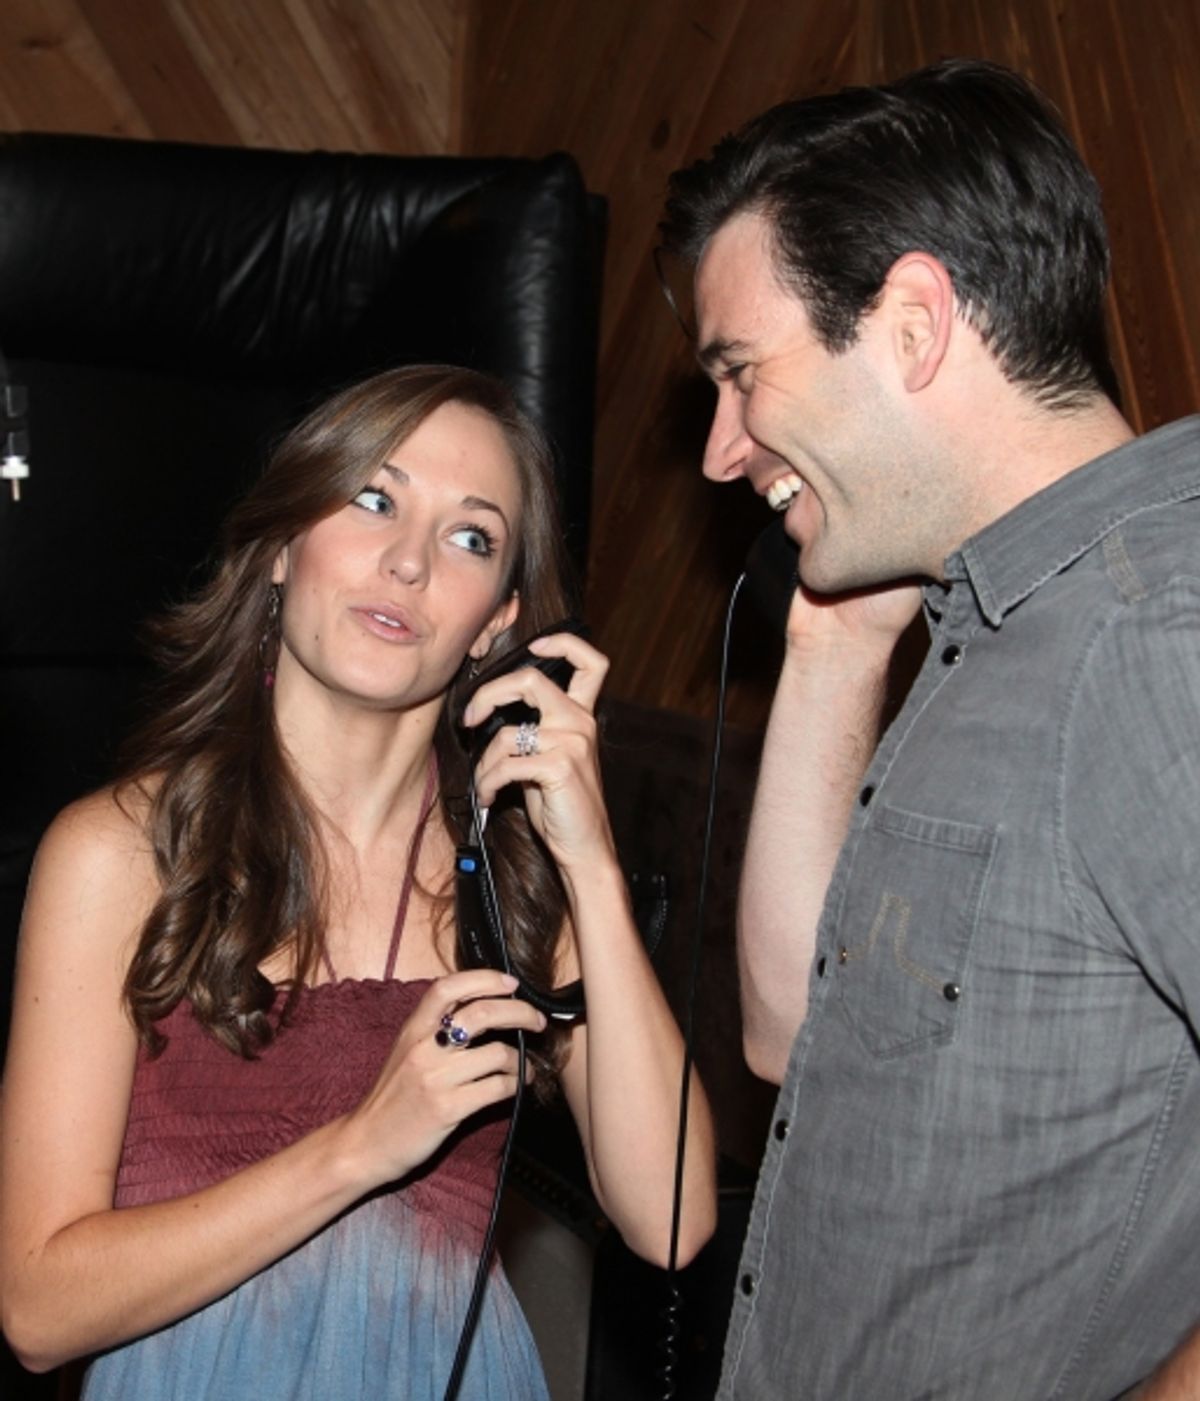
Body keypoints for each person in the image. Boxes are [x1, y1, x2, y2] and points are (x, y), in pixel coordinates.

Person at [0, 363, 717, 1400]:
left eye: (470, 537)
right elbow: (35, 1309)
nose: (410, 562)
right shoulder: (120, 854)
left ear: (498, 623)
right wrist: (359, 1149)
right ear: (284, 546)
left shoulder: (515, 881)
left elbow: (675, 1216)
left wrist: (590, 861)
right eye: (374, 499)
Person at [660, 57, 1200, 1400]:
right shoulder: (994, 619)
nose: (723, 450)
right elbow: (795, 1032)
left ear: (910, 323)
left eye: (742, 373)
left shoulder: (1152, 634)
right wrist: (835, 636)